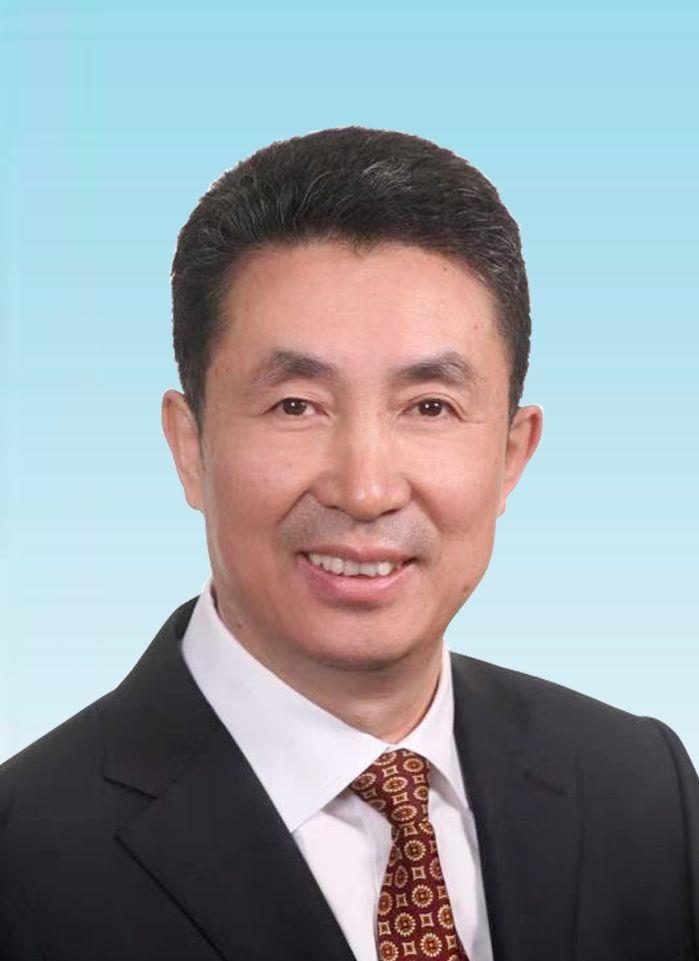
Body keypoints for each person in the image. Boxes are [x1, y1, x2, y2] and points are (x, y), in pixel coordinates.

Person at [1, 127, 697, 961]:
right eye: (296, 405)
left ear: (512, 455)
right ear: (190, 447)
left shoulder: (643, 791)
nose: (365, 490)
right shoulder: (24, 859)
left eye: (429, 407)